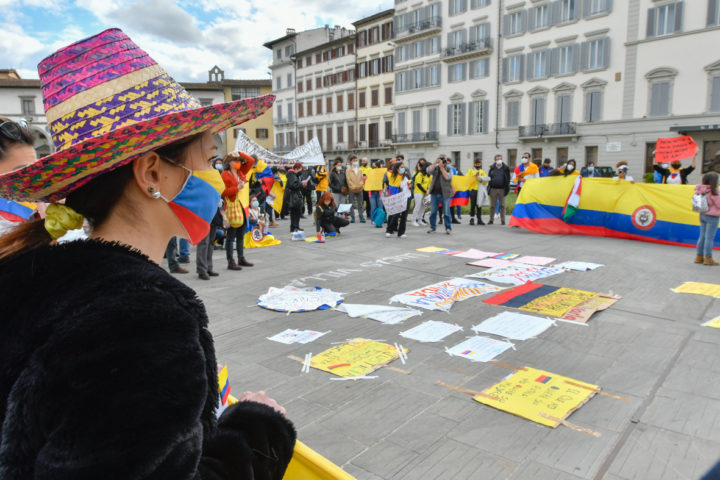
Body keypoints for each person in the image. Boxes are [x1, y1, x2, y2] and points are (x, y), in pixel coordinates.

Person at [0, 28, 295, 478]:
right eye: (209, 161)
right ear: (152, 173)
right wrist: (257, 432)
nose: (218, 180)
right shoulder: (141, 321)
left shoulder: (34, 276)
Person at [220, 153, 254, 271]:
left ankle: (241, 258)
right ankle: (230, 260)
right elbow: (223, 192)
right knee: (231, 235)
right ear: (229, 162)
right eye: (235, 160)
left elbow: (250, 160)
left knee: (240, 234)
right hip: (232, 207)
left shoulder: (240, 172)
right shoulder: (225, 174)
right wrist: (237, 189)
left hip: (242, 206)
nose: (238, 162)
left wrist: (239, 153)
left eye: (239, 160)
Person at [695, 172, 720, 265]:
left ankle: (699, 257)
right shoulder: (714, 191)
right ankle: (708, 258)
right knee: (709, 238)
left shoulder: (700, 189)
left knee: (702, 236)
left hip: (702, 215)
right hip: (712, 217)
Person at [426, 155, 454, 234]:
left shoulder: (449, 169)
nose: (443, 161)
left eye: (444, 160)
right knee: (433, 212)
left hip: (445, 194)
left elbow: (448, 177)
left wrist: (442, 168)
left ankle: (448, 228)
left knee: (446, 212)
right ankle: (433, 227)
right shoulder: (435, 168)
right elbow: (428, 171)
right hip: (434, 193)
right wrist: (435, 162)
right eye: (441, 159)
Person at [384, 159, 411, 238]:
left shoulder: (406, 175)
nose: (403, 169)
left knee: (404, 216)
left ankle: (401, 232)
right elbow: (392, 188)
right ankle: (389, 230)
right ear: (397, 168)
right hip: (397, 198)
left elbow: (410, 181)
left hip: (406, 197)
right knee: (395, 214)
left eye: (403, 167)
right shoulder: (393, 176)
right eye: (401, 167)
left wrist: (410, 185)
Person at [196, 206, 222, 280]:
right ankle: (201, 270)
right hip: (204, 212)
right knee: (203, 242)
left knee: (211, 242)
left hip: (213, 212)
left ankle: (208, 268)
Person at [488, 154, 511, 225]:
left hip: (502, 189)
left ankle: (503, 220)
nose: (499, 160)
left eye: (500, 159)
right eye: (497, 159)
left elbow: (508, 178)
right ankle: (491, 220)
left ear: (502, 160)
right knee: (492, 206)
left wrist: (507, 187)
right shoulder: (492, 168)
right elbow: (489, 178)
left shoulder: (505, 168)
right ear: (495, 160)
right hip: (493, 189)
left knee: (502, 205)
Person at [285, 161, 306, 232]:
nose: (301, 171)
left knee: (296, 212)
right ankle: (294, 227)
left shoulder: (293, 175)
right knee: (295, 212)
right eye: (300, 169)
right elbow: (293, 185)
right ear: (296, 169)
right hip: (293, 197)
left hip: (294, 196)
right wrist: (301, 183)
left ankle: (296, 226)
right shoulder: (292, 175)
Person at [467, 158, 489, 225]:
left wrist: (481, 180)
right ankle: (472, 219)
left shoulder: (482, 171)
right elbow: (467, 179)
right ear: (474, 164)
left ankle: (479, 219)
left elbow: (486, 181)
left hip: (480, 190)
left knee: (479, 205)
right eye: (476, 164)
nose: (478, 165)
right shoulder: (471, 171)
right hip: (473, 190)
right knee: (473, 205)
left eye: (479, 164)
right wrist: (474, 177)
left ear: (481, 164)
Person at [345, 155, 365, 223]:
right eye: (354, 160)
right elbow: (348, 180)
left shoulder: (360, 169)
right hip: (352, 189)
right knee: (351, 203)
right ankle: (352, 217)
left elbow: (362, 179)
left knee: (360, 203)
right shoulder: (348, 170)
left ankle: (361, 217)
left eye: (356, 160)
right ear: (351, 162)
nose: (355, 162)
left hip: (360, 188)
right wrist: (353, 187)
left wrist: (359, 186)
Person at [411, 158, 430, 226]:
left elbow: (429, 184)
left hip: (425, 193)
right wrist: (425, 191)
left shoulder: (428, 175)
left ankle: (420, 220)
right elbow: (418, 184)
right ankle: (413, 220)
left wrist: (428, 190)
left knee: (423, 207)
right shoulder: (419, 174)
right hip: (418, 192)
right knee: (418, 206)